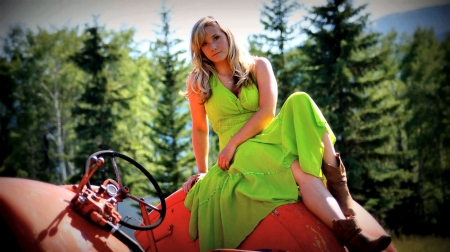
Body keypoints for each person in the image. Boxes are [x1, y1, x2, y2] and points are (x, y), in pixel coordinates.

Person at [181, 16, 393, 252]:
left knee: (300, 99)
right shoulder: (198, 81)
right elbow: (200, 128)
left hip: (266, 134)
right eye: (204, 44)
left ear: (227, 36)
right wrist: (202, 169)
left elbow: (267, 112)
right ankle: (354, 237)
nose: (213, 46)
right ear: (198, 50)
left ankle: (341, 192)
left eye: (216, 38)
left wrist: (232, 142)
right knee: (298, 169)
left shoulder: (258, 65)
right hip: (240, 152)